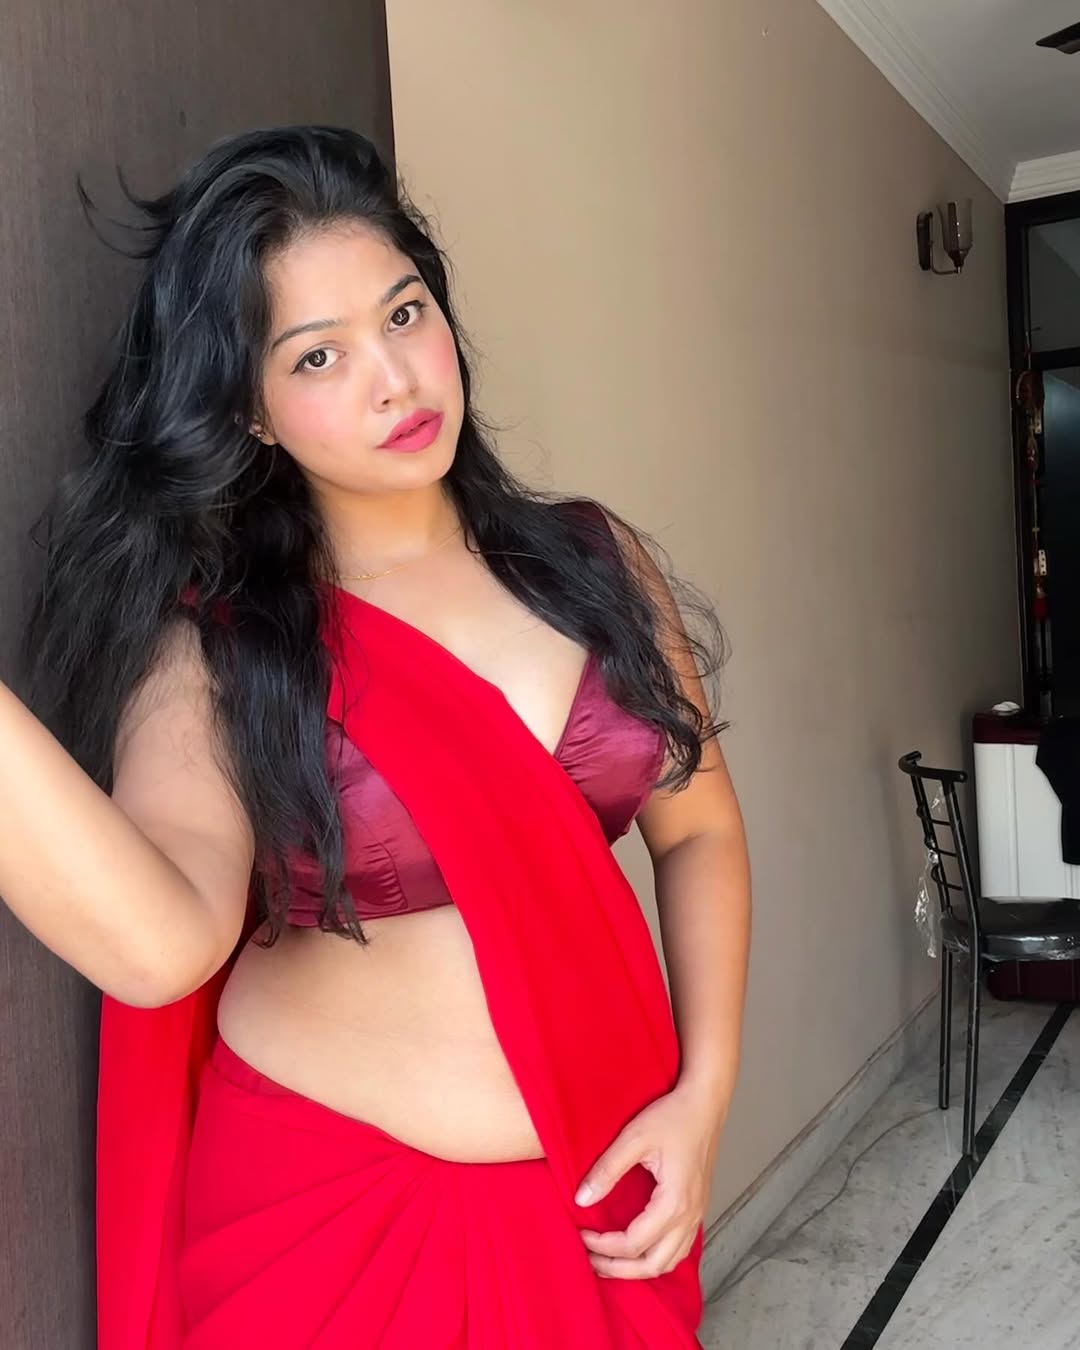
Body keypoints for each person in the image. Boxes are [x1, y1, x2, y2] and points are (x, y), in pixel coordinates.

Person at [1, 124, 752, 1348]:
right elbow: (163, 942)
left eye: (404, 313)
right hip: (324, 1224)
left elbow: (702, 830)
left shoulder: (593, 563)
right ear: (249, 413)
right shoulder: (220, 644)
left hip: (596, 1199)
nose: (395, 379)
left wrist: (705, 1098)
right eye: (319, 355)